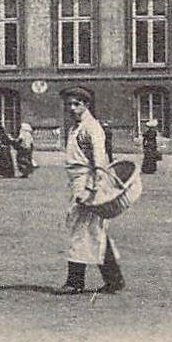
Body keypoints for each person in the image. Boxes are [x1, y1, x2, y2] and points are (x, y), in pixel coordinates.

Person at [63, 96, 124, 294]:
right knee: (95, 231)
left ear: (86, 105)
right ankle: (114, 279)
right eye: (70, 104)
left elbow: (99, 160)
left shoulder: (92, 128)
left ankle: (75, 281)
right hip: (76, 181)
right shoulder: (76, 128)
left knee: (80, 228)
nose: (72, 108)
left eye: (76, 104)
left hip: (87, 181)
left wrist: (94, 187)